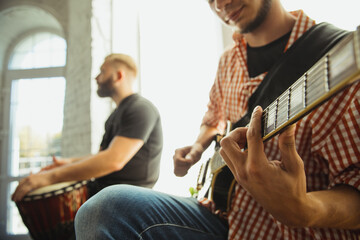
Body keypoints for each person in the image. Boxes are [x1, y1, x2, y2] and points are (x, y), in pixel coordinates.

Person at [74, 0, 360, 239]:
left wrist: (305, 209)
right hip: (222, 215)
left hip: (293, 231)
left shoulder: (335, 55)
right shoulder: (228, 61)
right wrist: (198, 146)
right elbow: (214, 117)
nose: (221, 4)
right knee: (104, 209)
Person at [12, 53, 163, 201]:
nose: (96, 77)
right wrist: (70, 162)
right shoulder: (117, 114)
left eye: (103, 72)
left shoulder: (140, 109)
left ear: (118, 76)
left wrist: (50, 177)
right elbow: (104, 154)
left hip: (128, 199)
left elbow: (114, 160)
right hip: (107, 193)